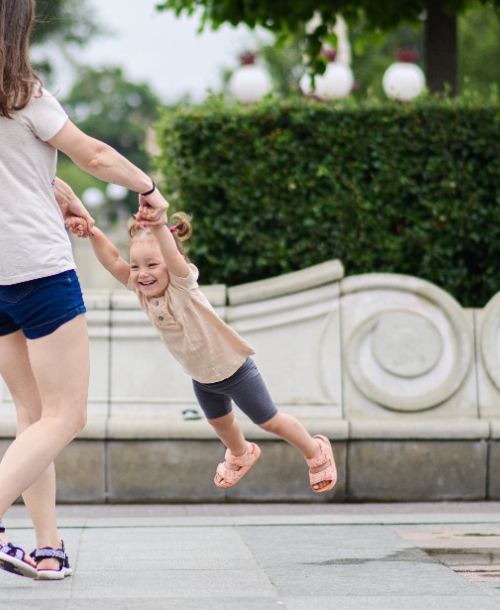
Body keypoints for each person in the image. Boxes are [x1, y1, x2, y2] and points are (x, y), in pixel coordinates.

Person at [0, 0, 168, 580]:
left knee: (36, 418)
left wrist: (55, 192)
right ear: (14, 29)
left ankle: (48, 546)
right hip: (37, 269)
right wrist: (149, 187)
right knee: (68, 416)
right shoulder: (22, 90)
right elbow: (95, 154)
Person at [84, 212, 337, 494]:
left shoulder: (182, 283)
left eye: (153, 265)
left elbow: (172, 256)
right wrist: (92, 230)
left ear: (170, 263)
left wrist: (158, 228)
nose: (143, 273)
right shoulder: (143, 292)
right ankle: (241, 453)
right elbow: (112, 261)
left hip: (234, 369)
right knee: (221, 424)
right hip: (202, 377)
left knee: (268, 421)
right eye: (136, 267)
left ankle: (316, 451)